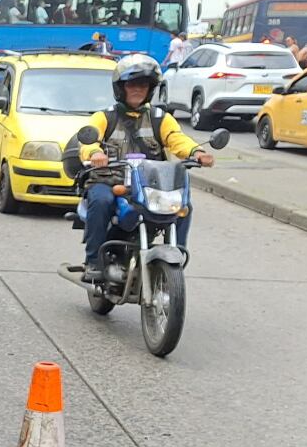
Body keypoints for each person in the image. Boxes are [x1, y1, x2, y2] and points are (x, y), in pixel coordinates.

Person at [65, 55, 213, 281]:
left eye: (143, 85)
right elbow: (88, 140)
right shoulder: (105, 117)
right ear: (121, 87)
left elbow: (177, 139)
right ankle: (93, 261)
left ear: (150, 89)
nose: (137, 90)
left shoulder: (159, 119)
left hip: (148, 185)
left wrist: (196, 152)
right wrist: (95, 153)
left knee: (183, 206)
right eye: (132, 84)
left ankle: (177, 251)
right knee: (101, 200)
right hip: (109, 181)